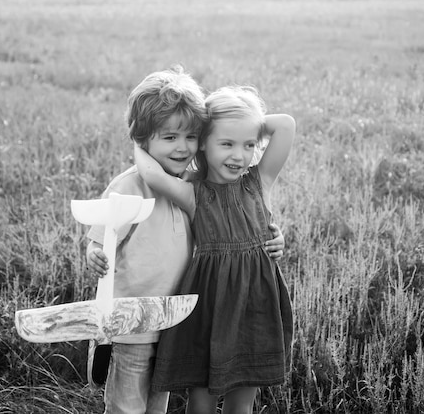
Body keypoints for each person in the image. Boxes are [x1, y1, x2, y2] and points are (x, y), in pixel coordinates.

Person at [86, 68, 286, 414]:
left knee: (156, 402)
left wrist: (235, 121)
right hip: (132, 320)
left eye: (190, 136)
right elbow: (103, 235)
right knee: (128, 404)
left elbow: (284, 128)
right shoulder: (148, 188)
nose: (182, 148)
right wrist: (94, 252)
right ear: (144, 139)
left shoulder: (215, 186)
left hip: (176, 316)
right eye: (168, 138)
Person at [133, 85, 295, 414]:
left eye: (249, 144)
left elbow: (287, 124)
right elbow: (150, 174)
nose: (239, 155)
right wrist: (138, 140)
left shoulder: (258, 182)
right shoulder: (194, 194)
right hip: (209, 307)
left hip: (256, 306)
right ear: (203, 142)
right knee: (202, 400)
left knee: (242, 402)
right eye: (227, 143)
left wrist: (246, 123)